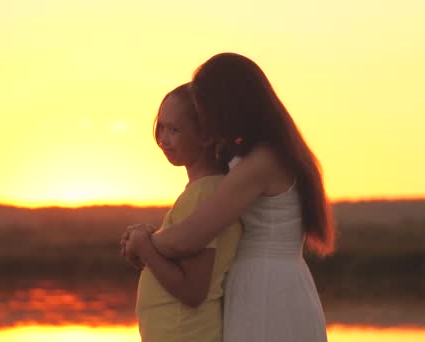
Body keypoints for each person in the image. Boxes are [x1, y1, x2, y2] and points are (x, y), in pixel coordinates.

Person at [125, 53, 335, 342]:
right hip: (277, 283)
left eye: (206, 108)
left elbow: (191, 236)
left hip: (266, 291)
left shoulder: (262, 163)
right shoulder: (269, 154)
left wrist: (143, 242)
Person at [123, 83, 242, 342]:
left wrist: (145, 247)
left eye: (174, 130)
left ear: (206, 135)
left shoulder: (204, 194)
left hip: (184, 332)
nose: (163, 139)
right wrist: (149, 241)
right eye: (161, 127)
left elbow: (193, 290)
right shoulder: (205, 191)